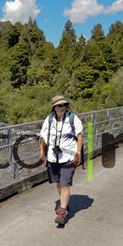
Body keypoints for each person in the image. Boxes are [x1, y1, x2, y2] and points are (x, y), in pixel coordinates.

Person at [39, 95, 83, 225]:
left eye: (64, 105)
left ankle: (62, 212)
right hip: (53, 157)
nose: (62, 107)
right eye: (60, 105)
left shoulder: (72, 118)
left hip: (68, 157)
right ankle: (64, 202)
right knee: (58, 182)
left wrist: (78, 153)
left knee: (65, 184)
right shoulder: (49, 119)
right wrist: (42, 152)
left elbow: (79, 136)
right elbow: (43, 136)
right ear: (54, 107)